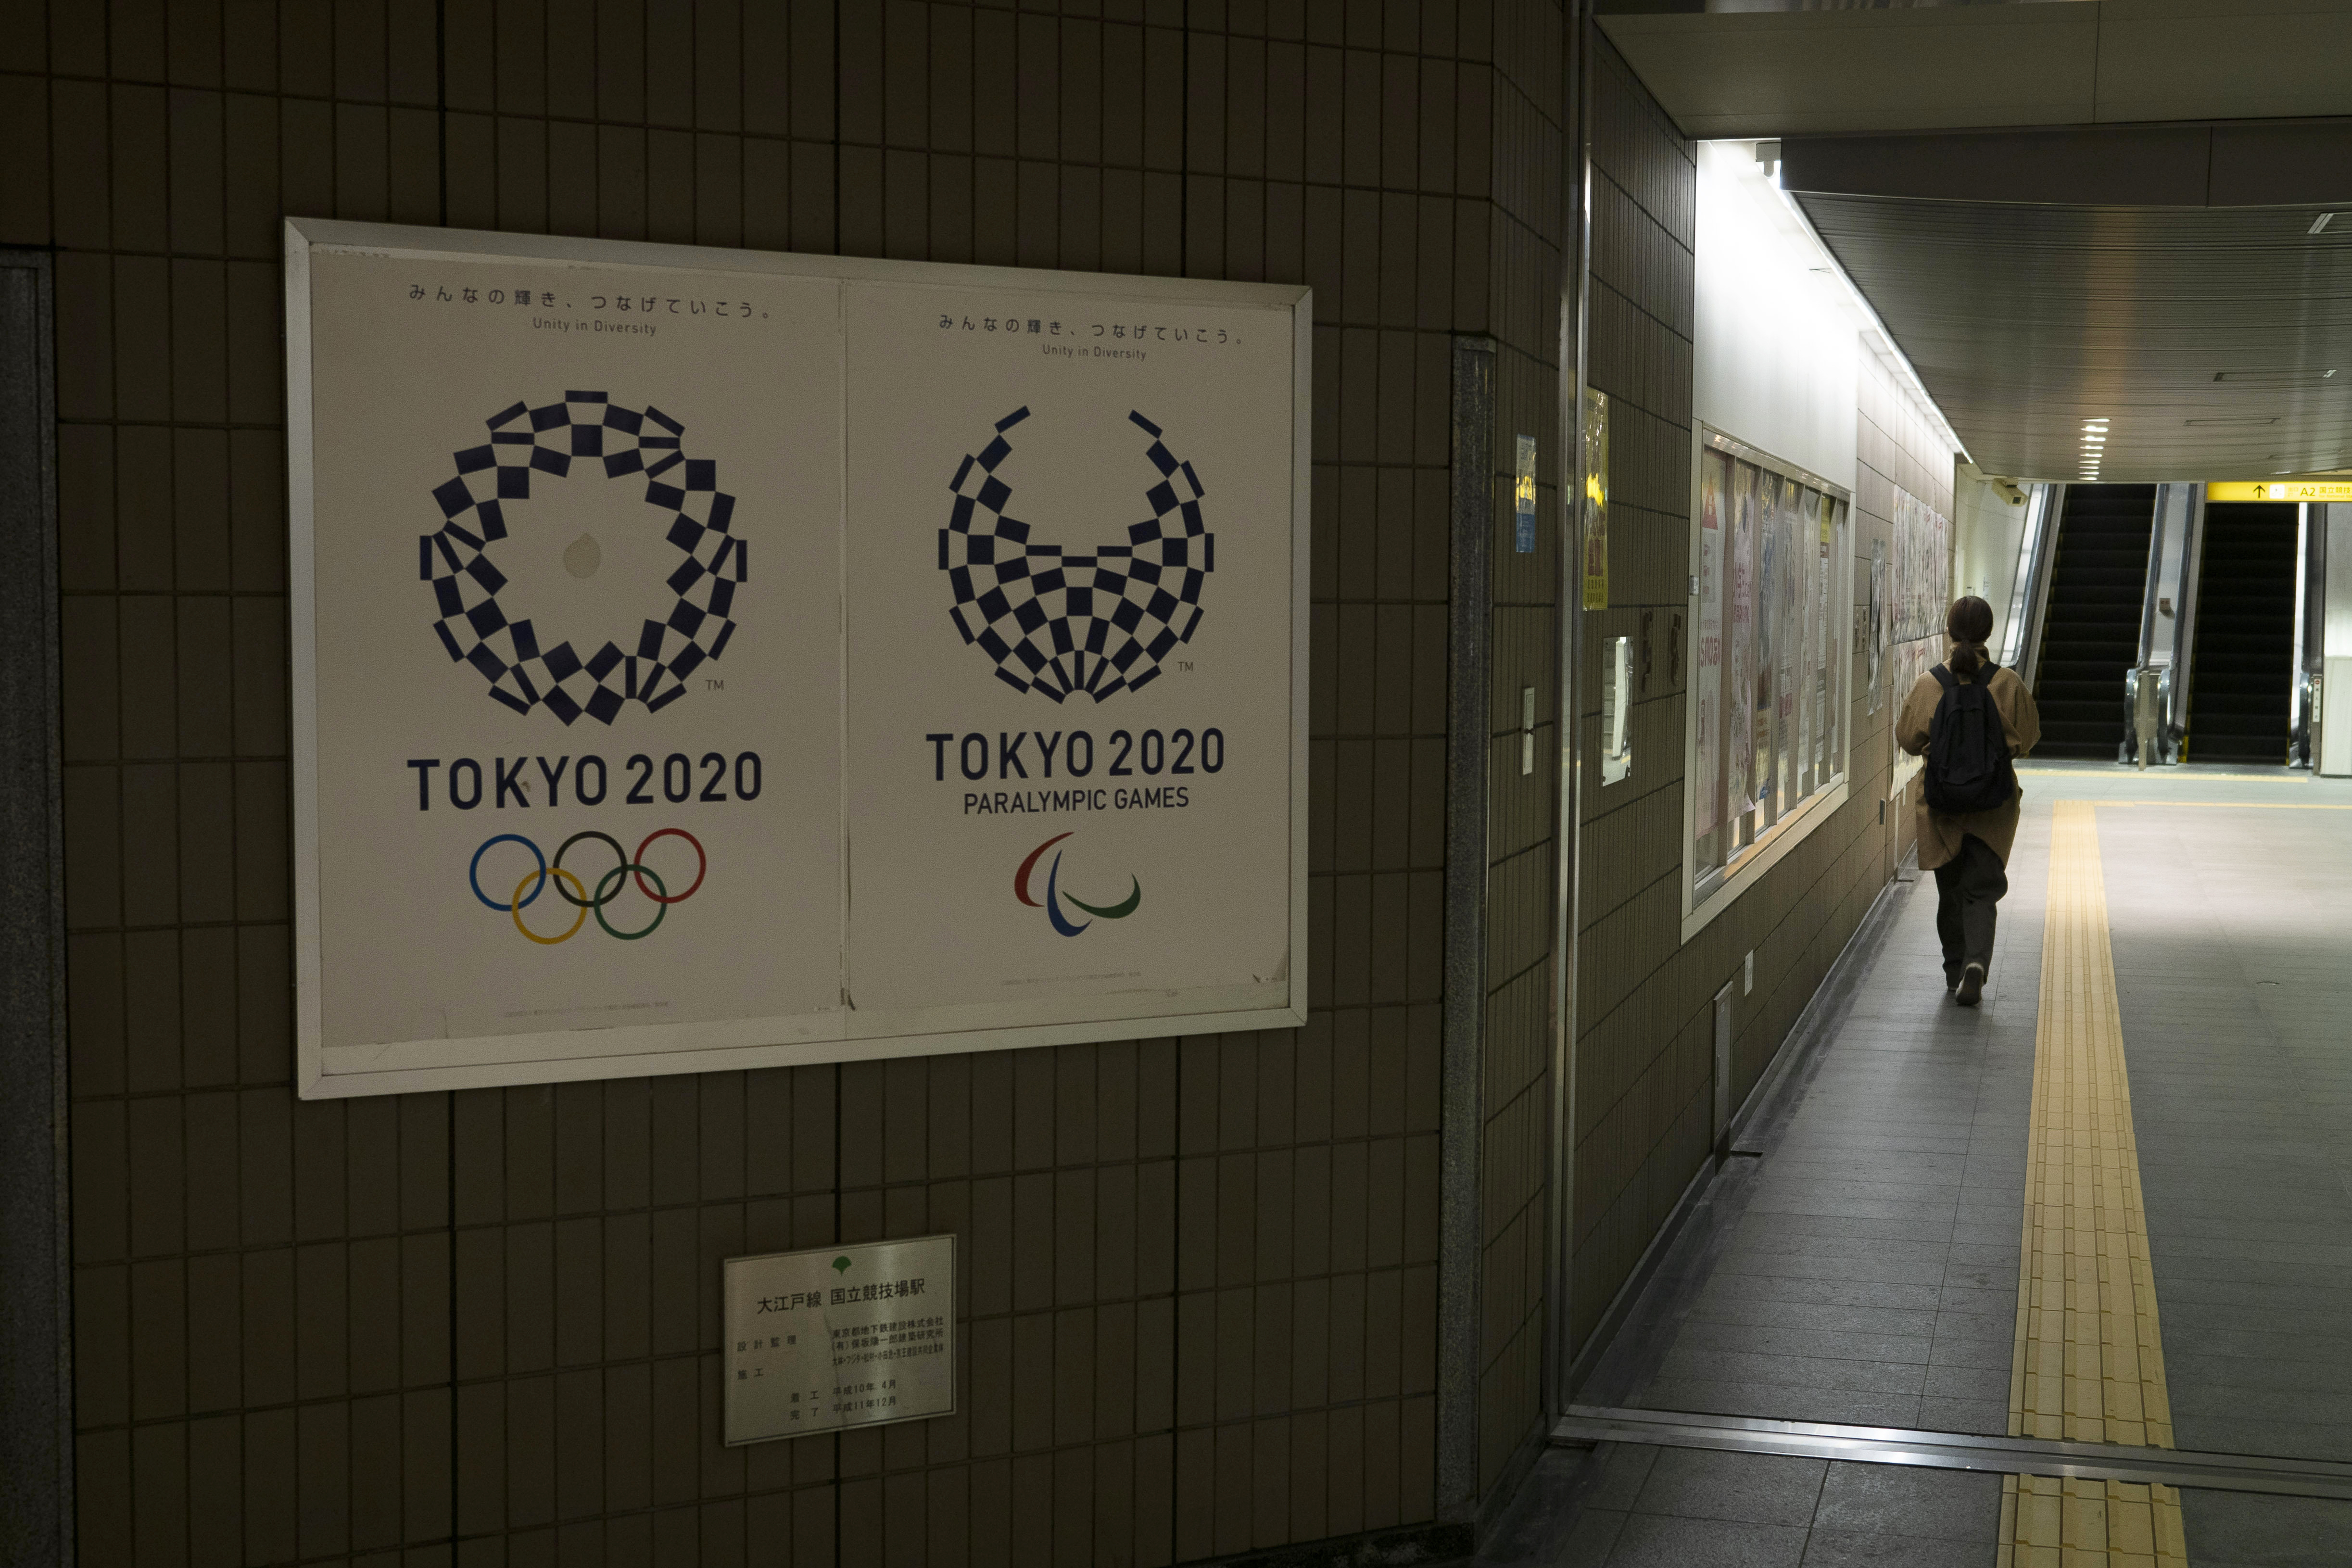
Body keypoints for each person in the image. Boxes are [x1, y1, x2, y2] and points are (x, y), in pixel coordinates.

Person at [1896, 595, 2040, 1007]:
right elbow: (2027, 739)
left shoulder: (1930, 683)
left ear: (1949, 630)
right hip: (1994, 805)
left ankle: (1955, 968)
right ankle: (1976, 963)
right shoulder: (2007, 683)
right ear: (1988, 633)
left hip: (1943, 806)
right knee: (1982, 888)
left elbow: (1908, 740)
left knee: (1951, 889)